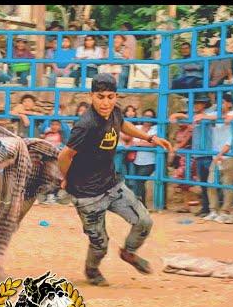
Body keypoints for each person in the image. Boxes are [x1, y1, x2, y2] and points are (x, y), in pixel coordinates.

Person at [57, 74, 172, 286]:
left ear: (116, 96)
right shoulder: (85, 125)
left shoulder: (115, 113)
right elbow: (64, 156)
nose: (106, 102)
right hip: (87, 195)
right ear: (91, 96)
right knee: (100, 244)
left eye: (110, 97)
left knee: (144, 221)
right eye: (100, 97)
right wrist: (66, 179)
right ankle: (91, 271)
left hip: (112, 185)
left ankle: (129, 253)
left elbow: (122, 124)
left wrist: (150, 138)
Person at [169, 94, 215, 217]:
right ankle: (206, 208)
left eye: (198, 103)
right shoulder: (193, 117)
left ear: (204, 104)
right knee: (203, 183)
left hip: (209, 153)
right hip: (197, 154)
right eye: (194, 103)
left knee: (210, 184)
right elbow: (182, 117)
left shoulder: (210, 113)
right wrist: (176, 115)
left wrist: (204, 116)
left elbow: (216, 117)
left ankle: (212, 208)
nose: (195, 105)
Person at [204, 94, 233, 224]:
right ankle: (213, 210)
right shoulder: (215, 114)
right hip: (216, 154)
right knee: (211, 183)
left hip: (229, 155)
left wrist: (222, 153)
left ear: (229, 103)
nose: (220, 105)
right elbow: (204, 117)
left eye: (222, 102)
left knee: (227, 185)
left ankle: (225, 211)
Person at [131, 109, 158, 206]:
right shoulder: (137, 127)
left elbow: (154, 144)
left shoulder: (156, 129)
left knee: (139, 180)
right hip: (135, 160)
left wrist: (138, 143)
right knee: (134, 182)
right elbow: (130, 140)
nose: (148, 118)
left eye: (150, 116)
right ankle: (138, 204)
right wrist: (145, 143)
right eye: (146, 115)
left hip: (150, 161)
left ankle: (142, 205)